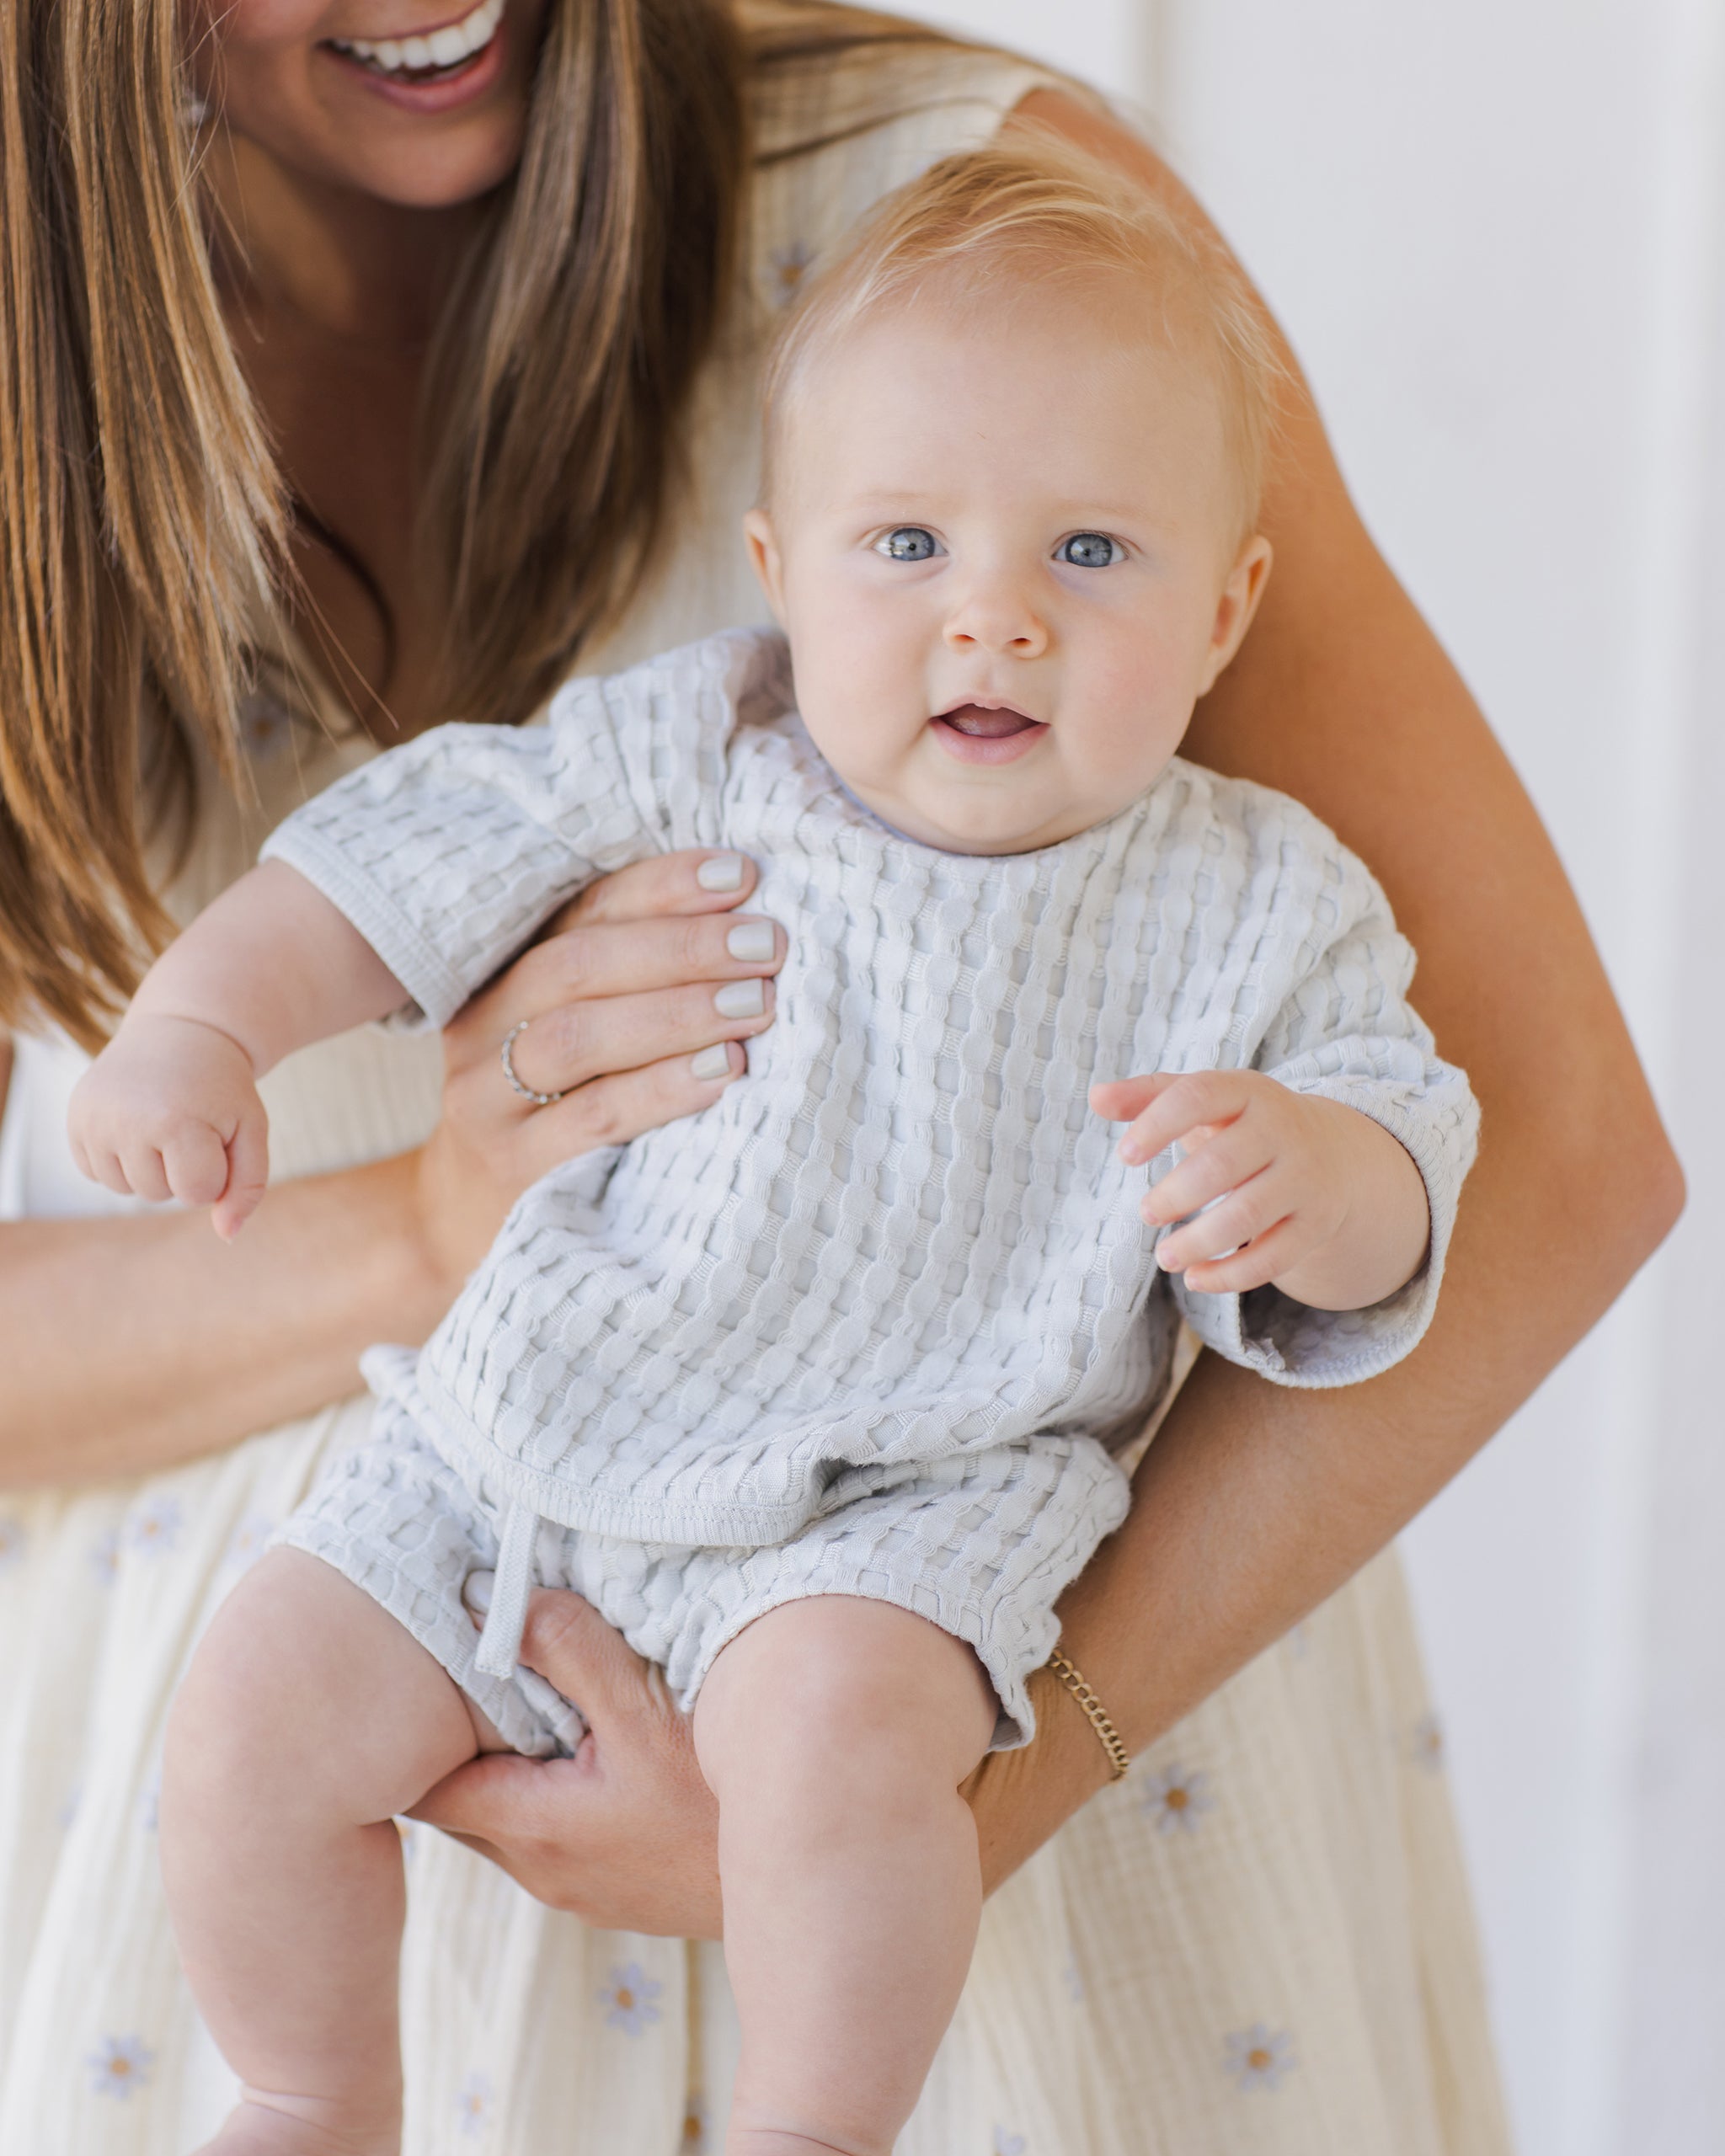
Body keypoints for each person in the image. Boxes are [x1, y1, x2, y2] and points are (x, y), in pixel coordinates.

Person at [0, 3, 1679, 2150]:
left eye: (1081, 557)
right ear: (789, 573)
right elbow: (399, 855)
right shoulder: (718, 727)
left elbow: (1504, 1137)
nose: (991, 624)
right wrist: (367, 1172)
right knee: (258, 1737)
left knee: (833, 1745)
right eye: (907, 552)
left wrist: (986, 1780)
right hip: (452, 1501)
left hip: (935, 1601)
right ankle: (318, 2082)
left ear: (1214, 596)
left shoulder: (1008, 257)